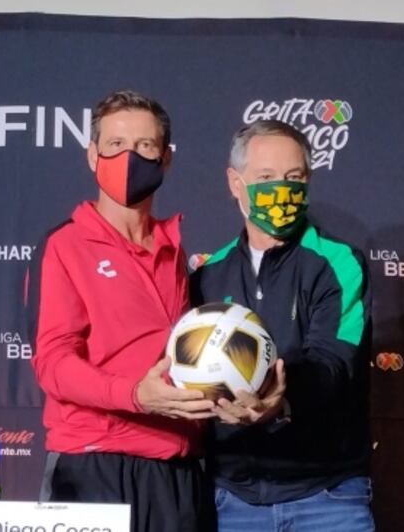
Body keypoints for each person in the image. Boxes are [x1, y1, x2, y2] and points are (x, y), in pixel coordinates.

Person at [27, 90, 216, 532]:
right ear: (92, 155)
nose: (129, 157)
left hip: (176, 472)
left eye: (145, 146)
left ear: (166, 159)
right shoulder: (65, 245)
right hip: (92, 466)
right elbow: (53, 363)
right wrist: (134, 394)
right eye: (115, 145)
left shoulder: (174, 251)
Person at [190, 120, 374, 531]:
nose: (281, 191)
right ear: (235, 183)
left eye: (294, 178)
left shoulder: (339, 263)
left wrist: (279, 401)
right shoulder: (208, 274)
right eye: (265, 178)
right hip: (233, 499)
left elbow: (334, 364)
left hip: (327, 496)